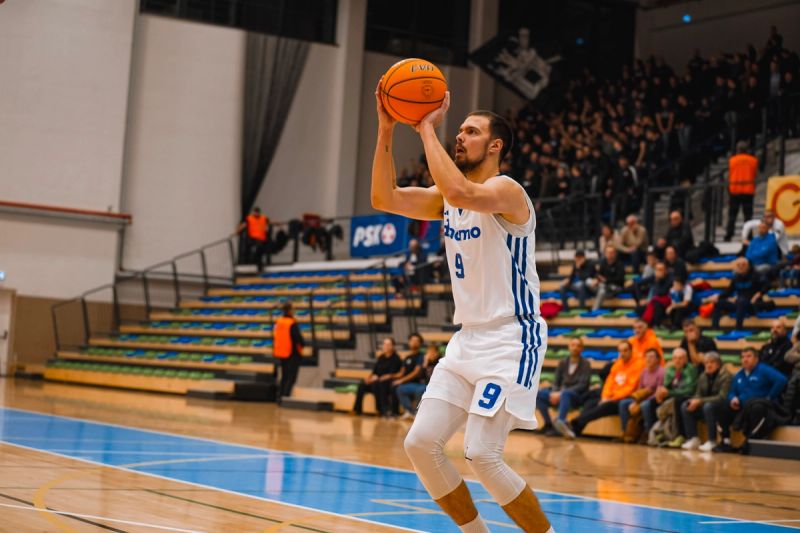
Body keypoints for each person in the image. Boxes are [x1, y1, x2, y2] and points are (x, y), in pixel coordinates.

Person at [372, 87, 554, 531]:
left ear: (495, 146)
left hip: (512, 337)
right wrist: (386, 127)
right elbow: (384, 198)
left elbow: (460, 190)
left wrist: (426, 127)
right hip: (467, 339)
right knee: (420, 444)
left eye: (471, 132)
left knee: (482, 454)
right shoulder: (447, 198)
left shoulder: (505, 190)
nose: (459, 136)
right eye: (459, 130)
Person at [557, 341, 644, 439]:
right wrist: (605, 397)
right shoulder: (617, 364)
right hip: (611, 397)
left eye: (625, 350)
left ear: (631, 351)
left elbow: (630, 388)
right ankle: (576, 430)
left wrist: (611, 399)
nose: (622, 353)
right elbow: (609, 383)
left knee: (605, 406)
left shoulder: (638, 365)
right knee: (591, 402)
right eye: (620, 351)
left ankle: (573, 424)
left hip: (624, 399)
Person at [713, 348, 787, 452]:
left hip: (759, 406)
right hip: (742, 406)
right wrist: (733, 398)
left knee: (757, 408)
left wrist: (769, 397)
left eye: (748, 356)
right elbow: (732, 392)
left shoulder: (763, 369)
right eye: (743, 357)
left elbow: (781, 380)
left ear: (756, 359)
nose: (745, 359)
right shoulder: (740, 374)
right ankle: (725, 441)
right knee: (720, 405)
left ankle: (750, 441)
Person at [537, 338, 592, 436]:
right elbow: (556, 381)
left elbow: (582, 385)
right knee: (539, 394)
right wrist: (554, 393)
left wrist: (561, 393)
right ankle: (548, 424)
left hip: (577, 397)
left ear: (582, 349)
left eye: (578, 346)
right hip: (560, 394)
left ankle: (560, 423)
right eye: (573, 345)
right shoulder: (563, 362)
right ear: (569, 347)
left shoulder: (586, 364)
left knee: (566, 394)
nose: (575, 348)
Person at [641, 348, 697, 443]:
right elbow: (666, 386)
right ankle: (655, 434)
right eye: (675, 358)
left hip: (686, 396)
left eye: (680, 358)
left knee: (677, 402)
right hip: (672, 395)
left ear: (686, 359)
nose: (677, 361)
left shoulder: (690, 369)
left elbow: (689, 390)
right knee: (653, 402)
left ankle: (679, 435)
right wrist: (660, 393)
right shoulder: (671, 370)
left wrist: (669, 393)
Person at [681, 352, 733, 452]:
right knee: (685, 405)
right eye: (706, 363)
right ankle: (693, 438)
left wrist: (700, 401)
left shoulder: (726, 376)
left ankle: (712, 440)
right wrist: (694, 401)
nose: (708, 365)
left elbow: (722, 397)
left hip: (722, 408)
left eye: (712, 362)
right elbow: (698, 394)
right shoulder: (703, 376)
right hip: (706, 406)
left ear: (718, 364)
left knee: (708, 406)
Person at [618, 348, 665, 439]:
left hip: (655, 399)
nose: (648, 359)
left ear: (657, 359)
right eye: (646, 357)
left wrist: (640, 403)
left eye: (651, 357)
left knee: (645, 405)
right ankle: (626, 432)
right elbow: (640, 389)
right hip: (643, 397)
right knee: (623, 403)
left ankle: (647, 433)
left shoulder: (661, 372)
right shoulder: (644, 371)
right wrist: (636, 401)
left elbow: (658, 392)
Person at [708, 257, 764, 329]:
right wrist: (718, 297)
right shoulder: (736, 278)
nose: (741, 267)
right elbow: (729, 291)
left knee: (741, 301)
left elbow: (766, 286)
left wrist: (758, 294)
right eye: (738, 265)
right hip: (739, 303)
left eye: (743, 265)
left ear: (748, 266)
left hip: (752, 304)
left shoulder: (756, 275)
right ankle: (714, 329)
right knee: (719, 303)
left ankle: (738, 329)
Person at [353, 338, 402, 416]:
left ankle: (381, 409)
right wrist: (369, 378)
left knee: (377, 384)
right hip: (377, 380)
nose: (385, 346)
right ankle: (357, 410)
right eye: (384, 344)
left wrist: (377, 378)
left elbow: (392, 374)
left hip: (388, 382)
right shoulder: (381, 357)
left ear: (392, 346)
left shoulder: (396, 358)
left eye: (388, 344)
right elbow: (374, 371)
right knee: (362, 384)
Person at [396, 344, 442, 419]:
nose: (429, 354)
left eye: (432, 352)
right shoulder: (426, 362)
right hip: (421, 385)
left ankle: (418, 412)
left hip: (433, 386)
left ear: (437, 353)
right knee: (401, 389)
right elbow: (420, 376)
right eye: (428, 352)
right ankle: (412, 412)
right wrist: (425, 364)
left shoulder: (440, 362)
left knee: (419, 391)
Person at [725, 142, 757, 242]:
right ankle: (749, 235)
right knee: (748, 215)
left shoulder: (732, 160)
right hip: (748, 190)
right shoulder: (753, 160)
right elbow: (754, 174)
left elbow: (730, 174)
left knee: (732, 215)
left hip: (735, 190)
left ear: (737, 149)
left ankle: (729, 234)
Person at [272, 302, 304, 399]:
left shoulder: (279, 322)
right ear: (290, 310)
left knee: (284, 376)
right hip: (292, 352)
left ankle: (280, 396)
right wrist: (303, 344)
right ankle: (286, 397)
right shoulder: (291, 323)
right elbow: (297, 338)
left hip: (281, 352)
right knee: (291, 378)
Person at [390, 333, 426, 416]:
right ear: (409, 342)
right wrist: (389, 376)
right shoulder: (407, 357)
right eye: (412, 340)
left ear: (420, 343)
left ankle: (415, 412)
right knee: (395, 387)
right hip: (408, 384)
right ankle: (408, 412)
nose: (414, 342)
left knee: (414, 390)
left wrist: (401, 380)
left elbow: (416, 372)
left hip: (419, 383)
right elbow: (401, 373)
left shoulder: (421, 356)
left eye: (416, 341)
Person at [591, 245, 626, 311]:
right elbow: (599, 274)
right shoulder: (603, 263)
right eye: (608, 252)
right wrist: (596, 279)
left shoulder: (620, 264)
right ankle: (594, 310)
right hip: (605, 287)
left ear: (615, 254)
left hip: (616, 287)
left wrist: (606, 280)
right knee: (589, 282)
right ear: (605, 254)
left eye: (612, 252)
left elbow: (620, 280)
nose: (610, 254)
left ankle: (594, 310)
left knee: (602, 289)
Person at [236, 206, 270, 272]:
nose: (256, 213)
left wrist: (268, 229)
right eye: (255, 212)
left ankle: (259, 265)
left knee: (259, 251)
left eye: (257, 212)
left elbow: (268, 224)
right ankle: (254, 263)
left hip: (261, 239)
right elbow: (244, 225)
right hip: (253, 239)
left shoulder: (264, 218)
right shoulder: (249, 218)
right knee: (256, 250)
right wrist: (237, 231)